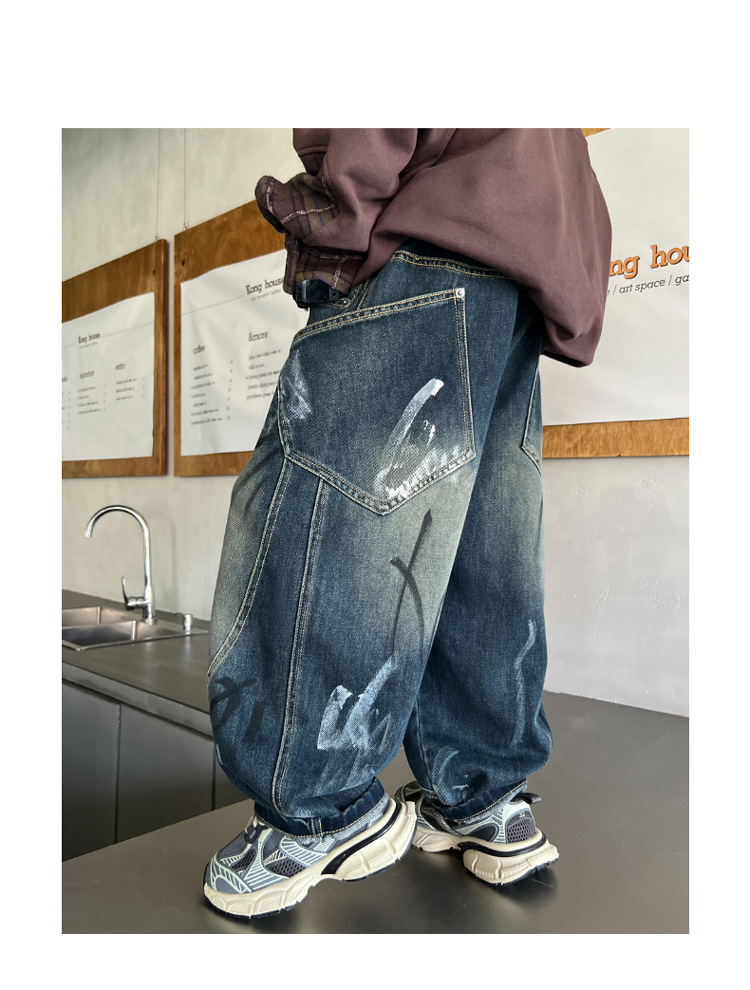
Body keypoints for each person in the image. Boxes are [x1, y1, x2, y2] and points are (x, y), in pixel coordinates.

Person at [202, 129, 611, 919]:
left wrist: (335, 215)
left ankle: (317, 812)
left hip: (427, 242)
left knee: (319, 524)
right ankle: (483, 796)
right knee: (477, 550)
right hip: (524, 277)